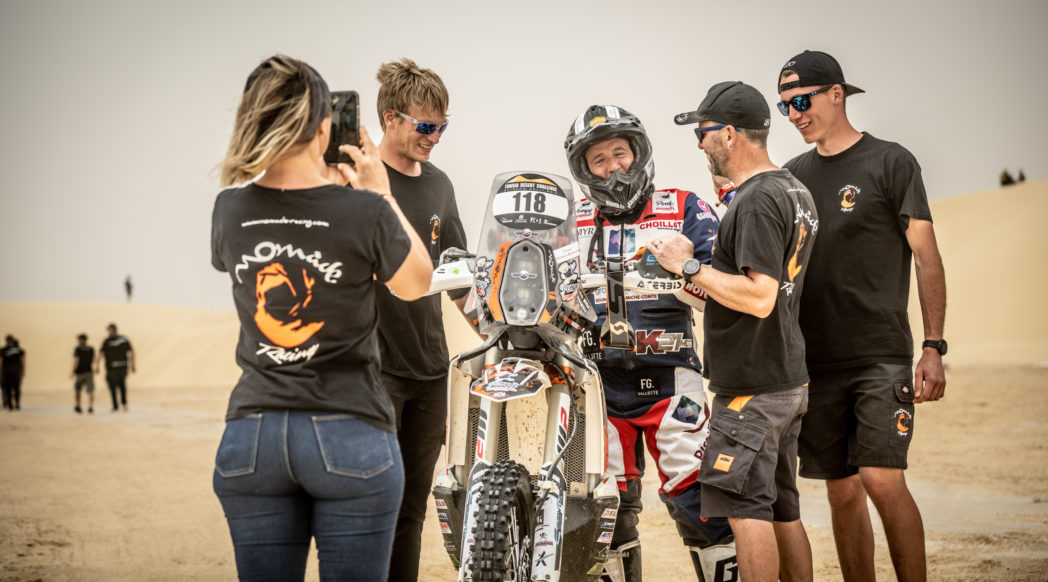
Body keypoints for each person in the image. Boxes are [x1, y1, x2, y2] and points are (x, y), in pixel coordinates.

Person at [210, 53, 432, 581]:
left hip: (253, 435)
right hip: (348, 429)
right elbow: (416, 281)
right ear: (323, 126)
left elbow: (245, 243)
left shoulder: (229, 209)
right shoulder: (365, 211)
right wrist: (379, 193)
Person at [776, 50, 947, 582]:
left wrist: (933, 346)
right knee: (842, 490)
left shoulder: (891, 162)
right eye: (785, 106)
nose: (794, 114)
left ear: (836, 94)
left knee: (880, 478)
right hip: (815, 362)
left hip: (880, 356)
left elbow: (927, 257)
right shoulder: (791, 177)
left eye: (802, 101)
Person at [564, 104, 736, 582]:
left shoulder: (684, 206)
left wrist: (685, 272)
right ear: (583, 169)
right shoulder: (570, 221)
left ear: (638, 153)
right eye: (598, 160)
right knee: (603, 510)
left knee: (700, 502)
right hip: (595, 385)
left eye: (620, 153)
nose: (612, 167)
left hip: (671, 380)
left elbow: (726, 289)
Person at [657, 81, 818, 582]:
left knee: (745, 512)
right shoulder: (794, 190)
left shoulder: (755, 201)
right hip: (785, 379)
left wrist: (687, 267)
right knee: (782, 511)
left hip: (753, 386)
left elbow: (760, 296)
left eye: (703, 134)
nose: (699, 145)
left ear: (729, 135)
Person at [372, 57, 468, 582]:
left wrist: (493, 336)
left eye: (442, 128)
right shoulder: (356, 182)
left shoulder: (440, 185)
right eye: (425, 126)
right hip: (373, 372)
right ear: (390, 118)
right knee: (370, 508)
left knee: (410, 512)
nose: (434, 138)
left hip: (431, 373)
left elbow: (459, 277)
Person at [95, 323, 135, 412]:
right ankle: (118, 405)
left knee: (119, 385)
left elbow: (131, 352)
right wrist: (97, 365)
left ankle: (121, 404)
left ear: (113, 330)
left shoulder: (109, 340)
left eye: (109, 330)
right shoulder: (121, 339)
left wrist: (133, 364)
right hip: (116, 367)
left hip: (116, 367)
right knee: (117, 385)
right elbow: (100, 354)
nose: (109, 332)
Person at [71, 333, 95, 413]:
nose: (78, 341)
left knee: (78, 390)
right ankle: (90, 406)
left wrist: (73, 371)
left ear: (82, 340)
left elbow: (76, 361)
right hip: (89, 372)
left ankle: (78, 406)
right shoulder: (91, 349)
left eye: (79, 339)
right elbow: (93, 360)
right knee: (90, 390)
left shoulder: (78, 349)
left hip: (80, 372)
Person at [1, 335, 26, 411]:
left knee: (8, 388)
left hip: (6, 371)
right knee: (16, 387)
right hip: (16, 370)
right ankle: (17, 403)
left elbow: (1, 361)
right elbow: (22, 360)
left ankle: (10, 405)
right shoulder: (19, 350)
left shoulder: (3, 350)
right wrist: (23, 370)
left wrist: (1, 371)